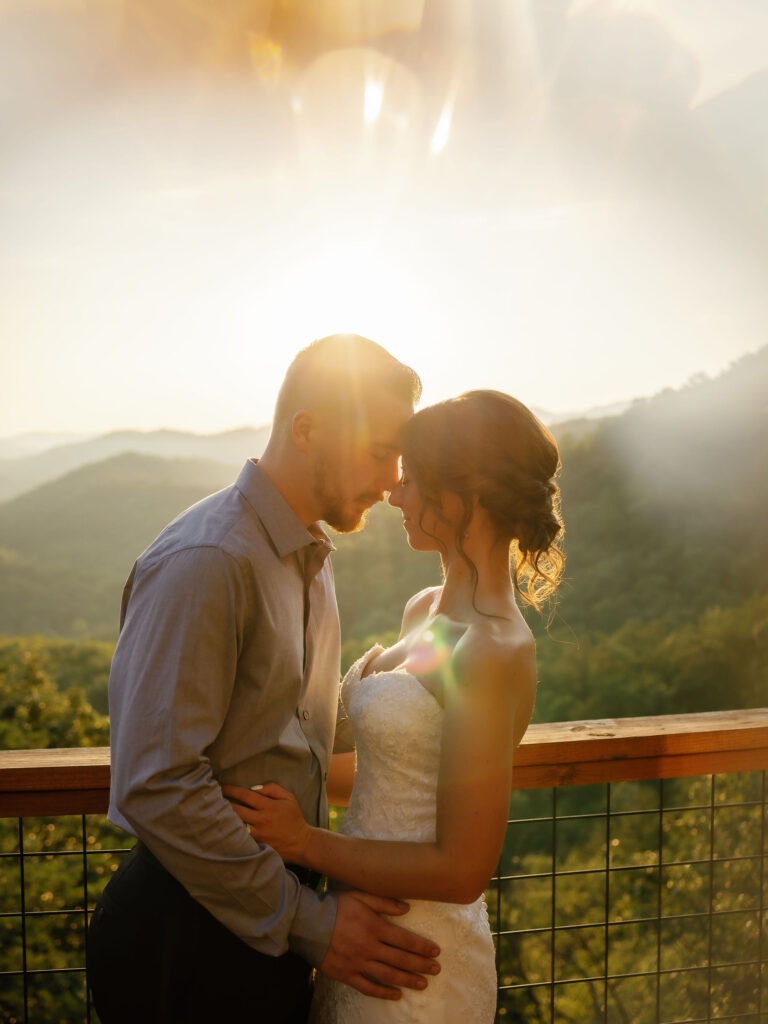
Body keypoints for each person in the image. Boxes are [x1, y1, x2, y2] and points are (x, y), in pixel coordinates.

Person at [86, 335, 442, 1024]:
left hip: (264, 927)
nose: (395, 478)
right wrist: (313, 923)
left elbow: (296, 725)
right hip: (186, 937)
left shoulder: (309, 555)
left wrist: (416, 689)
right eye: (379, 450)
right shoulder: (209, 560)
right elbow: (156, 783)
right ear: (305, 430)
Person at [223, 389, 565, 1023]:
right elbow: (398, 761)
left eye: (414, 480)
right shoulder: (428, 614)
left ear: (472, 494)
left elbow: (463, 869)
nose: (394, 494)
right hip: (357, 939)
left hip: (417, 959)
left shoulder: (492, 649)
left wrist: (304, 842)